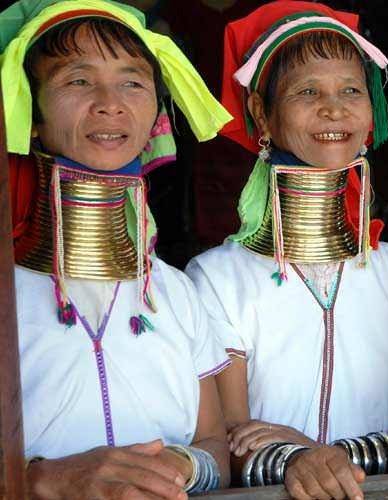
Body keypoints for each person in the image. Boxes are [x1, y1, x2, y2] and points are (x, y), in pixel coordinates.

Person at [185, 2, 388, 499]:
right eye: (307, 91)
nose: (334, 108)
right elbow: (231, 441)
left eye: (351, 90)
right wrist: (300, 460)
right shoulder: (217, 279)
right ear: (261, 114)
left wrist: (318, 455)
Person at [4, 1, 233, 498]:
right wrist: (40, 480)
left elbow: (215, 448)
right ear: (32, 113)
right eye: (78, 80)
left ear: (156, 116)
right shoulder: (7, 290)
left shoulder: (175, 291)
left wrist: (180, 465)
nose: (110, 103)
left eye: (132, 82)